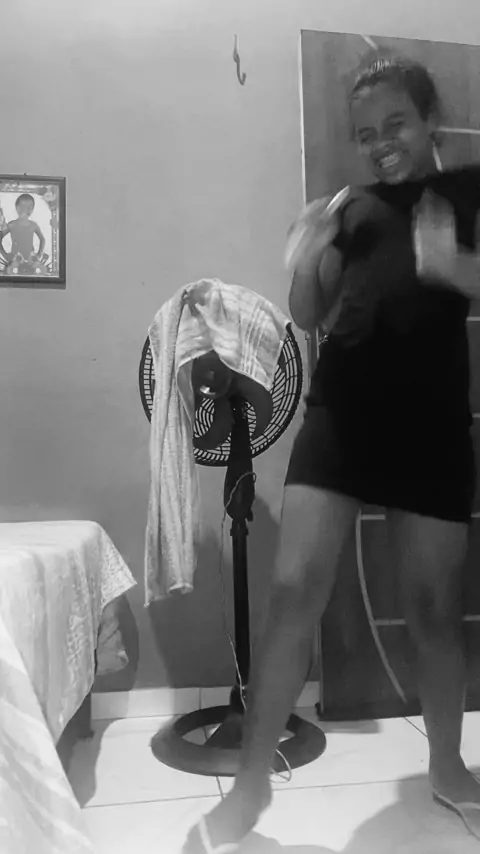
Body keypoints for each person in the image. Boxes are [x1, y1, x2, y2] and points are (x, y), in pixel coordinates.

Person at [185, 55, 480, 852]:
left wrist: (456, 267)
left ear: (429, 121)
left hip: (431, 426)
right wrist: (306, 254)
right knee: (292, 592)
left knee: (432, 608)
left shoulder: (467, 193)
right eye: (366, 133)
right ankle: (249, 788)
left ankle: (448, 768)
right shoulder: (349, 209)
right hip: (341, 415)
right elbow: (308, 310)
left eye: (396, 125)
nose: (381, 143)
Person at [0, 193, 47, 275]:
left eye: (30, 207)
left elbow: (42, 239)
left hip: (31, 260)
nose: (27, 210)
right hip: (15, 260)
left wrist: (39, 255)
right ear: (17, 208)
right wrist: (5, 255)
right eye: (23, 206)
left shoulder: (33, 225)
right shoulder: (12, 225)